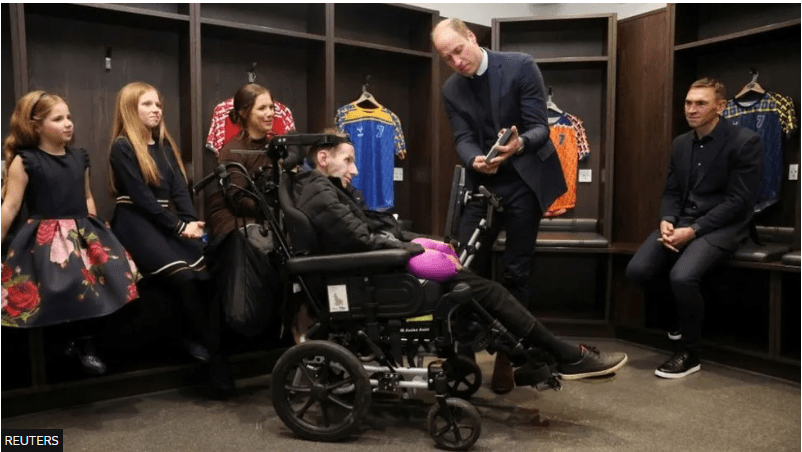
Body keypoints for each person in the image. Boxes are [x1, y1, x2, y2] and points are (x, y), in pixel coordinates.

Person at [292, 131, 627, 385]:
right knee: (488, 293)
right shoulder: (320, 191)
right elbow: (363, 239)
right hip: (365, 279)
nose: (355, 168)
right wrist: (417, 250)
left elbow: (376, 227)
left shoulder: (330, 190)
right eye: (348, 160)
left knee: (479, 293)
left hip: (373, 272)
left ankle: (537, 356)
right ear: (323, 158)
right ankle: (561, 354)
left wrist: (425, 242)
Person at [432, 17, 568, 393]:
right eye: (447, 58)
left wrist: (517, 145)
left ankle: (511, 358)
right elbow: (461, 137)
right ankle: (462, 354)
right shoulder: (451, 90)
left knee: (516, 273)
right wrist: (474, 158)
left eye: (459, 50)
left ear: (471, 37)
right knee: (462, 267)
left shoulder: (520, 65)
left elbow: (540, 128)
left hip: (524, 180)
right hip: (482, 182)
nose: (457, 62)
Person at [626, 78, 763, 379]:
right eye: (688, 102)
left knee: (683, 275)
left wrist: (695, 229)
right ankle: (677, 319)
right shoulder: (680, 144)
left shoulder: (744, 142)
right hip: (684, 223)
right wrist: (667, 220)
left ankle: (690, 353)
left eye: (701, 103)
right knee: (637, 270)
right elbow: (672, 191)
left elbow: (739, 202)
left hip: (725, 226)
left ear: (720, 106)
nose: (692, 109)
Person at [1, 91, 140, 375]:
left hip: (82, 230)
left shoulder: (79, 157)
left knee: (108, 277)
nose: (68, 124)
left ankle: (84, 342)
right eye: (58, 119)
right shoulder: (25, 160)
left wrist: (96, 230)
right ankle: (66, 344)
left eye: (69, 117)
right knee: (59, 285)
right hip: (45, 238)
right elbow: (11, 206)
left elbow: (87, 196)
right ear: (35, 126)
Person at [108, 82, 233, 395]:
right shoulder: (122, 146)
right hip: (135, 220)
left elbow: (180, 191)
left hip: (167, 221)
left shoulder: (165, 144)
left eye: (158, 104)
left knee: (209, 272)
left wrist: (191, 224)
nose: (156, 110)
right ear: (130, 110)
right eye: (147, 104)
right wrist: (180, 228)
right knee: (183, 277)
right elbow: (142, 198)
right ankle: (214, 360)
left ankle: (199, 341)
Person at [206, 83, 284, 337]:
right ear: (245, 113)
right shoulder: (231, 150)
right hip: (240, 219)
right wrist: (275, 206)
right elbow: (238, 200)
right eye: (262, 108)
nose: (270, 113)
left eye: (272, 107)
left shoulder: (277, 147)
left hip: (269, 216)